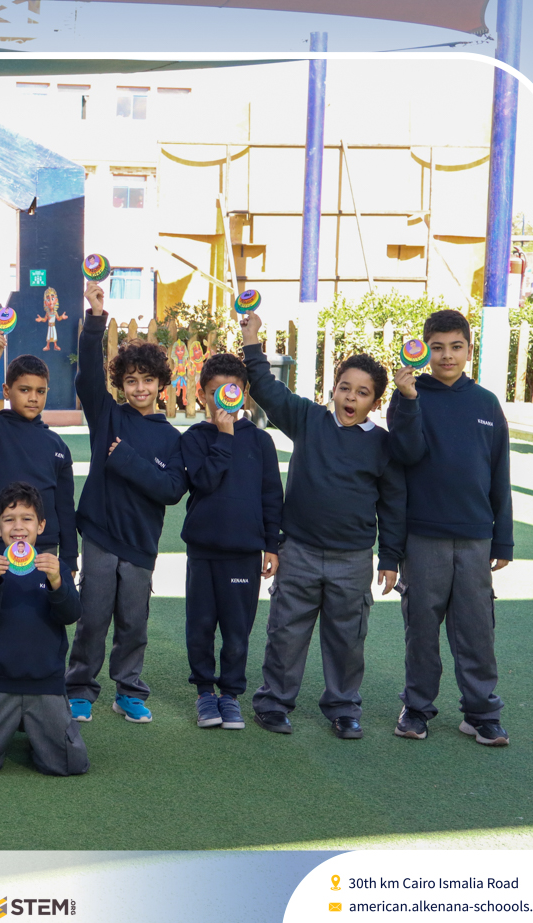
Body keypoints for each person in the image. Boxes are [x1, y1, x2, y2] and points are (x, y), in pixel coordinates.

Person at [240, 310, 406, 739]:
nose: (351, 397)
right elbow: (266, 388)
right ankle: (274, 703)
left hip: (353, 560)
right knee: (285, 632)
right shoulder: (309, 419)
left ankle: (344, 707)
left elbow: (392, 505)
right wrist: (252, 338)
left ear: (375, 402)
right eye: (345, 387)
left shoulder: (383, 445)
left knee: (348, 639)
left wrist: (390, 558)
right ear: (333, 388)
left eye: (363, 393)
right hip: (299, 551)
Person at [387, 308, 514, 746]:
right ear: (423, 350)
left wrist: (503, 539)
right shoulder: (409, 395)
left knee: (477, 628)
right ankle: (417, 708)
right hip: (423, 537)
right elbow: (405, 453)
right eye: (437, 347)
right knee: (421, 628)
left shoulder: (486, 403)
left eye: (456, 347)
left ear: (469, 350)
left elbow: (499, 473)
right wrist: (407, 400)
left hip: (476, 538)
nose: (447, 356)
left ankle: (481, 713)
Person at [66, 281, 188, 725]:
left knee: (134, 623)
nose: (139, 388)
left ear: (161, 385)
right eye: (131, 380)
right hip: (100, 537)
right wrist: (95, 319)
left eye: (147, 380)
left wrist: (126, 460)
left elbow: (171, 489)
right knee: (93, 618)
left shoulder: (172, 438)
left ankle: (129, 691)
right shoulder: (107, 416)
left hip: (140, 544)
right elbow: (87, 378)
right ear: (120, 384)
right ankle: (79, 688)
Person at [0, 482, 87, 776]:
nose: (18, 527)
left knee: (70, 765)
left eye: (27, 518)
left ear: (41, 525)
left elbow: (71, 614)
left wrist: (57, 583)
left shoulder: (55, 567)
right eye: (9, 519)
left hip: (44, 685)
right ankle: (10, 729)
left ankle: (37, 735)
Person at [179, 352, 284, 731]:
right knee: (200, 627)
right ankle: (205, 692)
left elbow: (271, 496)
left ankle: (230, 694)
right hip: (203, 551)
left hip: (244, 553)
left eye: (232, 391)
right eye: (214, 392)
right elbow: (204, 481)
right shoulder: (194, 439)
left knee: (237, 631)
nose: (223, 399)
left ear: (244, 393)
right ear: (202, 394)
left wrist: (272, 545)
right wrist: (224, 436)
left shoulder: (261, 441)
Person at [0, 338, 78, 566]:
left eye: (40, 391)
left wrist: (70, 558)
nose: (33, 398)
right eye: (24, 390)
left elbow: (65, 507)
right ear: (6, 390)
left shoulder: (57, 446)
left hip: (44, 549)